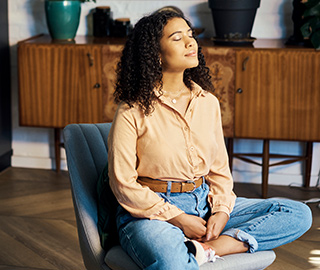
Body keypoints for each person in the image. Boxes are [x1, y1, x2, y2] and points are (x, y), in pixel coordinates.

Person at [107, 9, 312, 269]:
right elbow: (123, 184)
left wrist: (222, 211)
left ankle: (208, 249)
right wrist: (179, 218)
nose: (190, 42)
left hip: (204, 201)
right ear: (155, 54)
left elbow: (219, 171)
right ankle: (196, 250)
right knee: (171, 261)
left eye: (190, 35)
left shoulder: (208, 103)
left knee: (297, 214)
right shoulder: (131, 111)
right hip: (151, 214)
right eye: (177, 37)